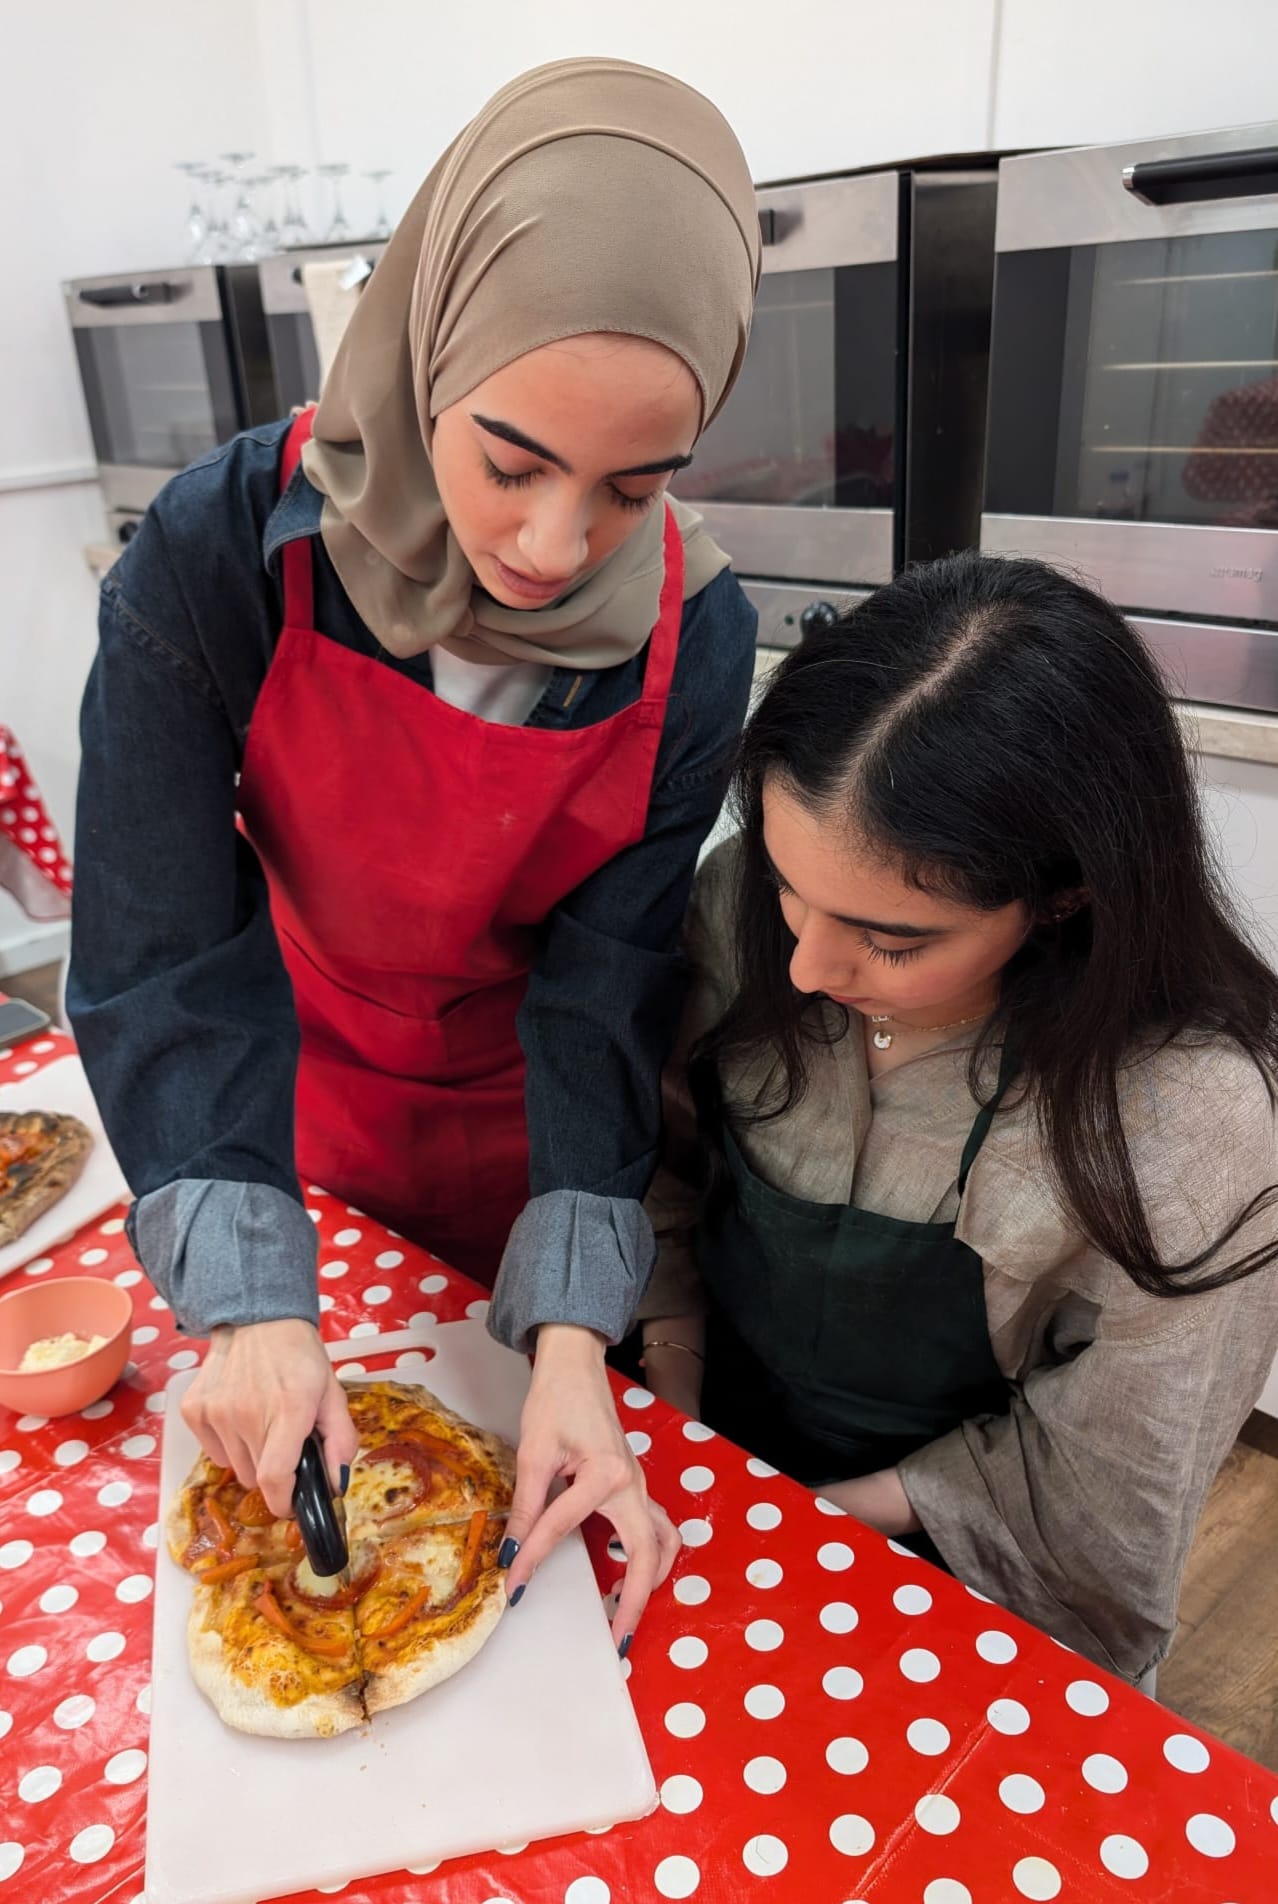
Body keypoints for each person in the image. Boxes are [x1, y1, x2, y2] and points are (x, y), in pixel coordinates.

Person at [68, 58, 761, 1645]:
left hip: (546, 1132)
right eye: (511, 459)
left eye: (632, 489)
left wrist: (580, 1341)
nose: (547, 545)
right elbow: (169, 949)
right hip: (290, 1112)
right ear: (421, 345)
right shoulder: (215, 555)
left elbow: (606, 984)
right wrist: (250, 1300)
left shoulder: (693, 634)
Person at [637, 549, 1278, 1683]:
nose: (808, 961)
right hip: (708, 1455)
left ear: (1066, 892)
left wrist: (803, 1522)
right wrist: (684, 1409)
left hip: (958, 1566)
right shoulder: (741, 911)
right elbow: (666, 1161)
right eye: (791, 885)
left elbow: (1098, 1492)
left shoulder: (1190, 1117)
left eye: (893, 938)